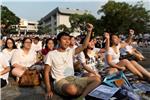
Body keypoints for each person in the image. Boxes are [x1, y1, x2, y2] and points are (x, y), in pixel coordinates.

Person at [44, 23, 101, 99]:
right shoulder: (51, 54)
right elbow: (46, 72)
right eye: (64, 39)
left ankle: (81, 97)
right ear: (58, 41)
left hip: (73, 79)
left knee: (97, 79)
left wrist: (89, 31)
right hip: (60, 81)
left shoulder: (70, 51)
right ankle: (87, 91)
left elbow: (84, 46)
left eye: (68, 39)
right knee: (72, 89)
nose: (67, 41)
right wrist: (48, 90)